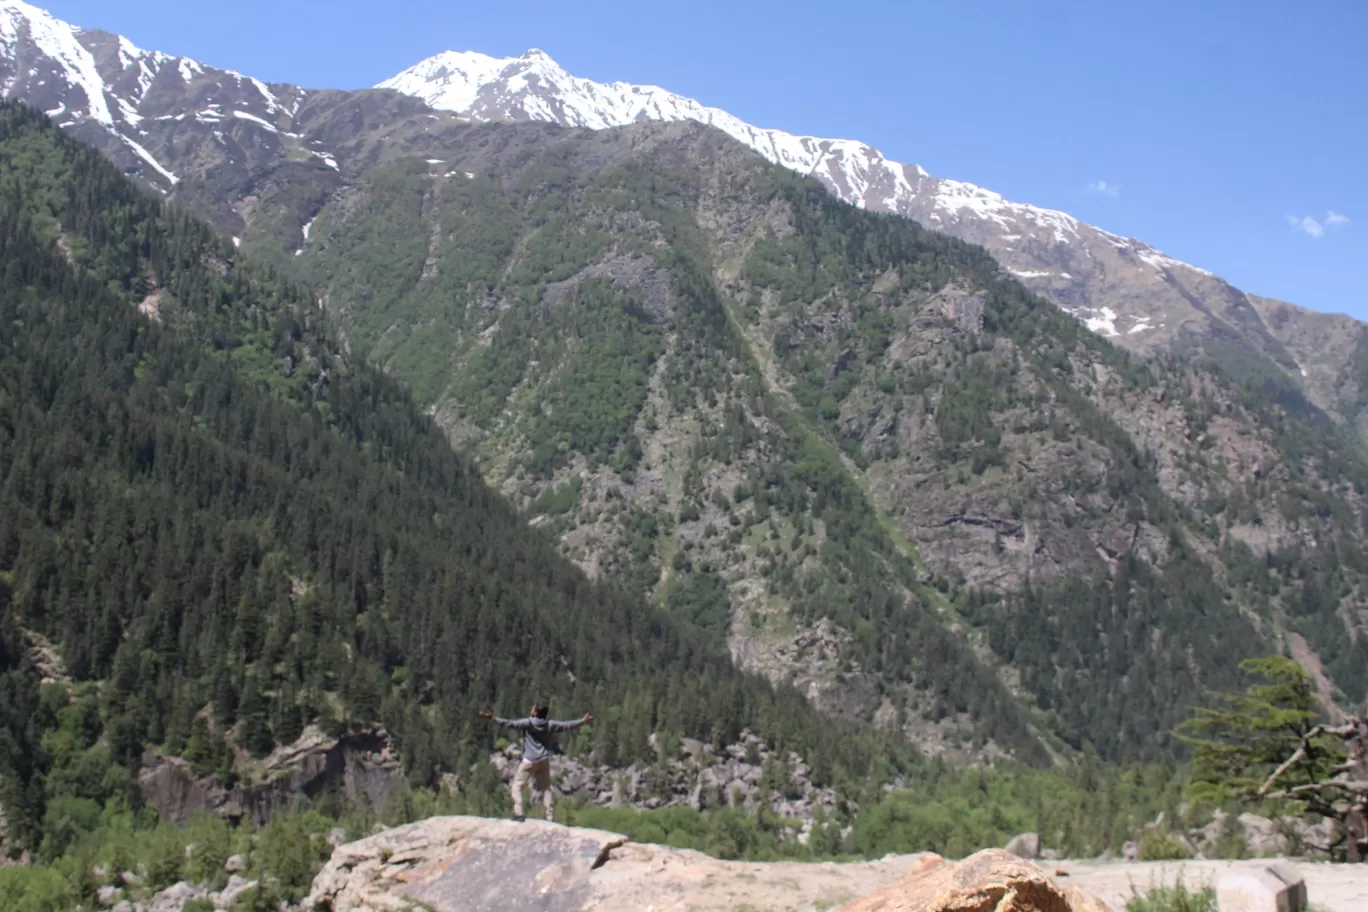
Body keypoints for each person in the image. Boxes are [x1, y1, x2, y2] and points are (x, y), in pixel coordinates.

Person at [477, 702, 593, 822]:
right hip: (543, 759)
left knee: (517, 786)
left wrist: (493, 718)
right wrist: (583, 721)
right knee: (546, 789)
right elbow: (567, 725)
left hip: (529, 760)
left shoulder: (528, 723)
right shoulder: (550, 724)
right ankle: (550, 816)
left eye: (532, 709)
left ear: (535, 712)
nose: (531, 710)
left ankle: (519, 812)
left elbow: (510, 723)